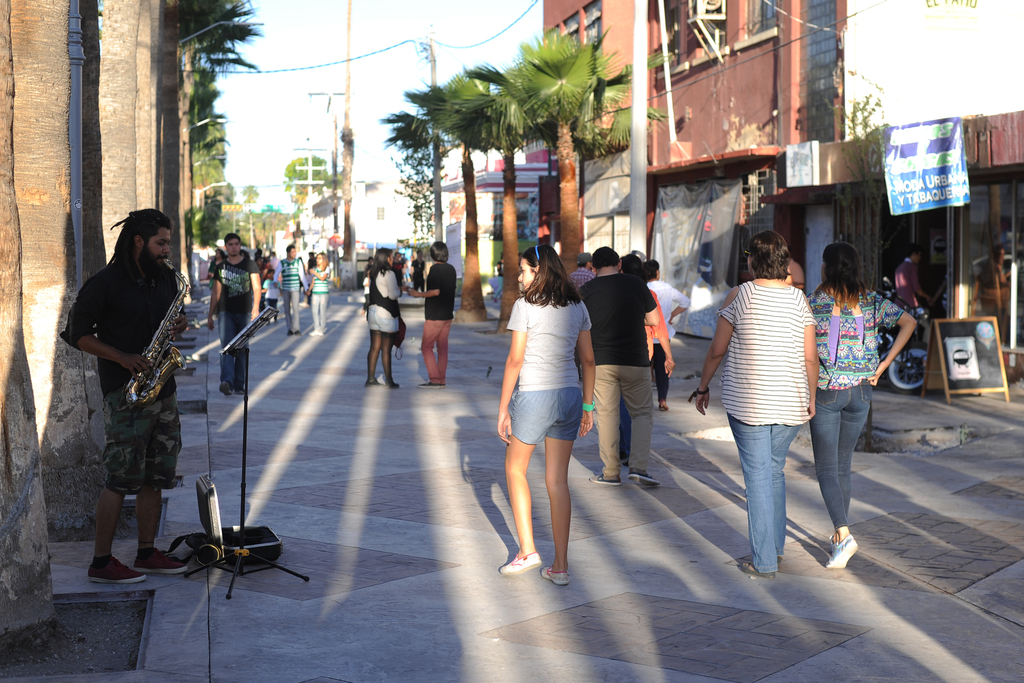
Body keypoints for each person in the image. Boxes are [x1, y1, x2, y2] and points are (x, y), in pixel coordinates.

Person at [60, 209, 189, 583]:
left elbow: (171, 321)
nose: (167, 250)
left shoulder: (166, 279)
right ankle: (101, 562)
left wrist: (180, 324)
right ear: (138, 241)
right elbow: (76, 334)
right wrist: (121, 357)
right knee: (119, 478)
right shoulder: (106, 283)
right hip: (126, 395)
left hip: (163, 390)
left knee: (156, 477)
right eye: (161, 243)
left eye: (168, 243)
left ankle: (146, 553)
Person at [692, 231, 818, 579]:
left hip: (750, 404)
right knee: (773, 472)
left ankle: (763, 561)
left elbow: (717, 350)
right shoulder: (799, 299)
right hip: (792, 403)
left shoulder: (741, 294)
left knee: (759, 477)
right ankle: (774, 548)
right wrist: (811, 397)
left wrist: (702, 387)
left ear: (753, 259)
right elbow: (811, 358)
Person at [808, 242, 915, 570]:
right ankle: (839, 540)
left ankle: (843, 534)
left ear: (827, 268)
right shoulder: (871, 301)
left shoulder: (813, 302)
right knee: (843, 466)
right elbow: (909, 322)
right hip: (863, 393)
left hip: (828, 392)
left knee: (826, 468)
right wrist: (883, 366)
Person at [497, 244, 595, 586]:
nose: (519, 278)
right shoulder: (577, 305)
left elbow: (515, 360)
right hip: (570, 396)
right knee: (557, 481)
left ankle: (527, 551)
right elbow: (588, 361)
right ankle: (561, 566)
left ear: (538, 271)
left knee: (515, 469)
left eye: (523, 271)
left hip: (535, 395)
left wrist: (503, 408)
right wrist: (587, 406)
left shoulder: (525, 306)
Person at [579, 247, 662, 487]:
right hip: (635, 360)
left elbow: (578, 326)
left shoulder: (585, 291)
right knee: (642, 413)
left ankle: (610, 473)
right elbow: (654, 320)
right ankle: (638, 467)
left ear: (593, 267)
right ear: (618, 264)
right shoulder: (636, 284)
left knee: (606, 415)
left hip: (601, 361)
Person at [616, 256, 675, 467]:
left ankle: (623, 448)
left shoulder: (615, 291)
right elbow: (660, 327)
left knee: (620, 404)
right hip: (641, 354)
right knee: (638, 408)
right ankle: (632, 452)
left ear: (621, 270)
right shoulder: (648, 293)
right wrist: (668, 355)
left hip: (616, 353)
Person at [207, 233, 261, 396]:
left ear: (240, 245)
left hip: (245, 312)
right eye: (230, 244)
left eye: (236, 244)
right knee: (227, 347)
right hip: (226, 313)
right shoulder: (220, 267)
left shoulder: (249, 264)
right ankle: (227, 382)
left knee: (243, 348)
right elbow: (216, 292)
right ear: (226, 247)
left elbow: (257, 287)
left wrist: (256, 308)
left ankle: (239, 384)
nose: (234, 247)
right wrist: (210, 315)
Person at [404, 241, 456, 388]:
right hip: (447, 315)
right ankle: (441, 379)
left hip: (435, 315)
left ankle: (435, 379)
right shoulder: (451, 269)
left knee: (426, 347)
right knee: (442, 349)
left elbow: (436, 291)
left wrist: (418, 294)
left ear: (433, 254)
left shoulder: (434, 269)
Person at [644, 259, 690, 411]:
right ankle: (662, 399)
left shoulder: (644, 288)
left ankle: (644, 401)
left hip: (647, 335)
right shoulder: (667, 288)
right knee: (663, 369)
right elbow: (685, 302)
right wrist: (671, 315)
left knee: (645, 369)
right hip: (663, 335)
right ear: (657, 272)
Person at [366, 248, 402, 388]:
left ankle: (370, 378)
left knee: (374, 347)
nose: (392, 259)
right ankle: (389, 380)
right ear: (386, 258)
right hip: (386, 313)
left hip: (373, 312)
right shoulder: (389, 273)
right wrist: (399, 291)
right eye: (391, 256)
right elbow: (393, 295)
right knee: (386, 349)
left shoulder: (374, 273)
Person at [975, 244, 1009, 337]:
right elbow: (990, 283)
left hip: (1001, 303)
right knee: (994, 326)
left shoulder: (997, 266)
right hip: (993, 303)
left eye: (1003, 254)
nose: (1002, 257)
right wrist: (1006, 284)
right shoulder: (991, 266)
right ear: (995, 254)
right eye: (1000, 254)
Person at [276, 244, 308, 336]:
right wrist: (275, 281)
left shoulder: (298, 262)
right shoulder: (282, 263)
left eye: (295, 252)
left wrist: (306, 288)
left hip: (295, 289)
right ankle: (289, 328)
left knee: (295, 309)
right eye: (293, 252)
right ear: (288, 253)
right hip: (285, 289)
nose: (294, 253)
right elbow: (276, 273)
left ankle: (296, 329)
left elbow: (302, 276)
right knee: (287, 309)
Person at [894, 243, 933, 309]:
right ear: (914, 254)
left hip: (898, 303)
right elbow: (916, 288)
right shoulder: (911, 267)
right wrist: (927, 297)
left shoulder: (899, 267)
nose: (920, 258)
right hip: (909, 303)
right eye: (919, 255)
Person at [307, 252, 332, 336]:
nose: (318, 260)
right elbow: (313, 281)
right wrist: (309, 290)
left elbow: (322, 278)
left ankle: (321, 329)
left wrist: (314, 272)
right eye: (317, 258)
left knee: (322, 311)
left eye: (320, 258)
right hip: (315, 292)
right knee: (314, 311)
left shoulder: (327, 269)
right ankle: (316, 328)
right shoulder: (316, 269)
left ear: (324, 259)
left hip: (323, 293)